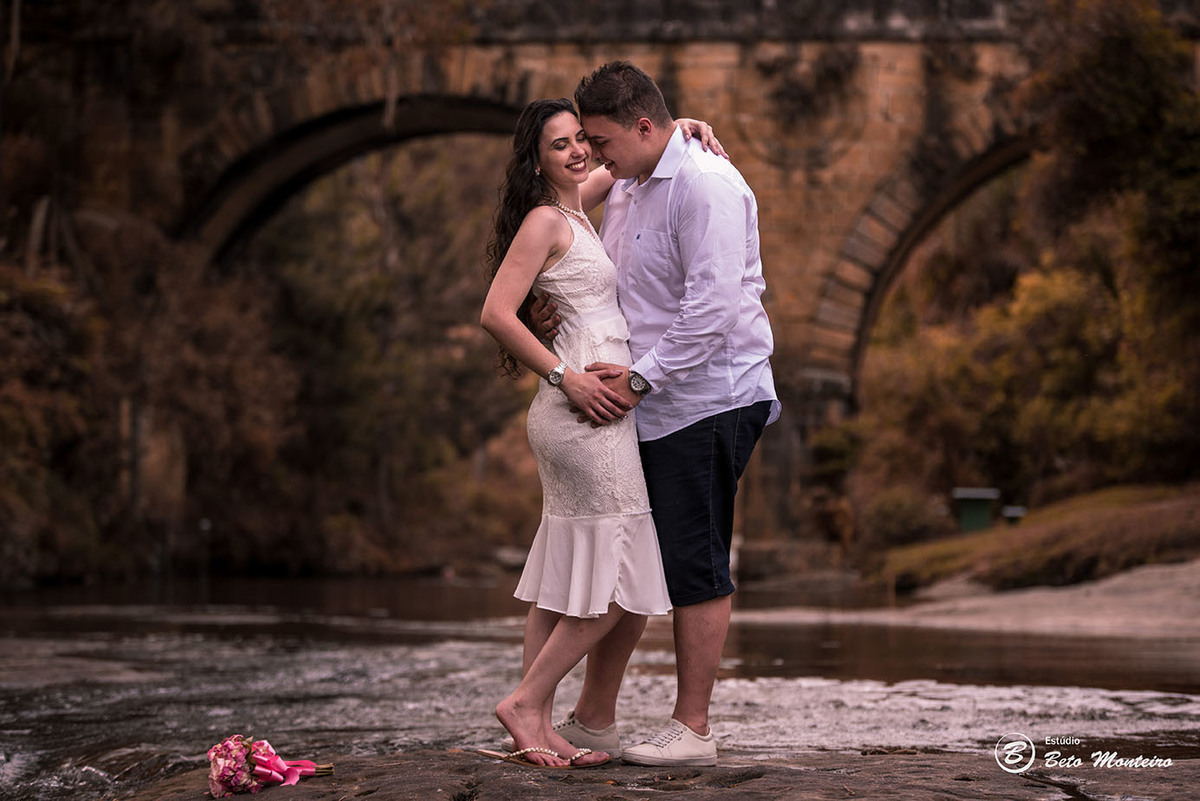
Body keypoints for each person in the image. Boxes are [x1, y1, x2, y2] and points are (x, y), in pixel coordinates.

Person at [533, 61, 780, 767]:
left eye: (601, 142)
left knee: (694, 557)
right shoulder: (631, 180)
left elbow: (714, 308)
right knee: (633, 557)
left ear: (644, 127)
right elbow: (561, 225)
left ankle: (693, 728)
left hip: (708, 399)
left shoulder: (706, 185)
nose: (593, 155)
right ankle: (593, 720)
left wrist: (641, 379)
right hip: (647, 401)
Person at [478, 98, 725, 769]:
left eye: (580, 139)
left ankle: (537, 721)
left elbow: (633, 155)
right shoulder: (544, 219)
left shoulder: (577, 204)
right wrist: (567, 379)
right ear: (536, 161)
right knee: (623, 575)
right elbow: (497, 312)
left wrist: (681, 128)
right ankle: (526, 703)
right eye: (559, 145)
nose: (578, 152)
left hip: (596, 409)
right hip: (583, 410)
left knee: (567, 568)